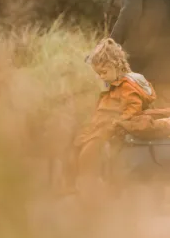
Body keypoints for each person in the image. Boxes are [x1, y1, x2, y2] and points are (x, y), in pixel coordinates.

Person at [67, 39, 157, 195]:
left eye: (104, 72)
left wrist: (119, 120)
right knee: (76, 141)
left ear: (116, 65)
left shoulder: (127, 85)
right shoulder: (115, 82)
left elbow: (133, 107)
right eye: (98, 73)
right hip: (101, 123)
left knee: (91, 148)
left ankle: (87, 182)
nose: (101, 77)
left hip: (113, 125)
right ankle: (74, 181)